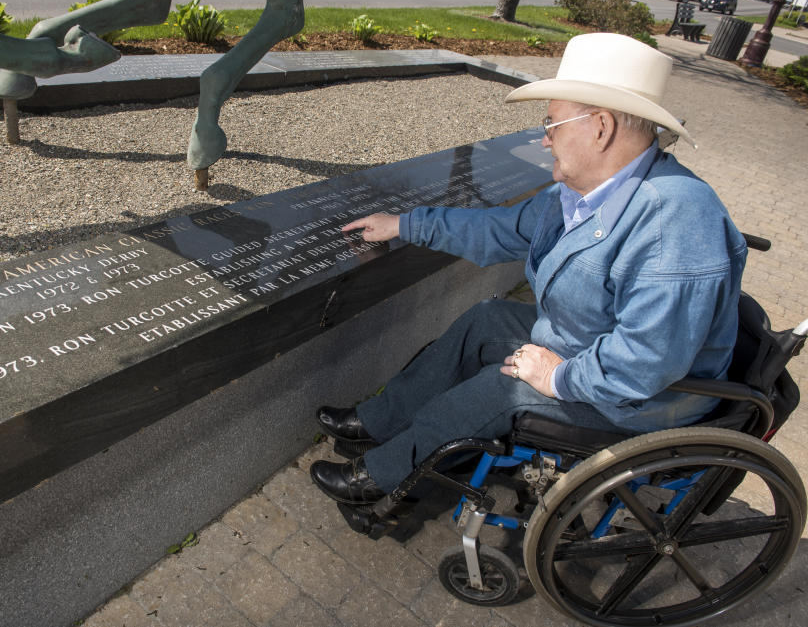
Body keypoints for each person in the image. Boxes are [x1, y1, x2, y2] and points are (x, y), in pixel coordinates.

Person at [309, 33, 748, 504]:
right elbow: (500, 228)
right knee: (487, 320)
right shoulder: (588, 191)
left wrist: (556, 377)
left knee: (502, 388)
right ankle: (380, 420)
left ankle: (381, 477)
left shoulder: (675, 221)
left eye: (554, 123)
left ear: (600, 127)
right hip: (596, 348)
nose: (545, 138)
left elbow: (645, 364)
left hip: (643, 401)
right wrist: (406, 224)